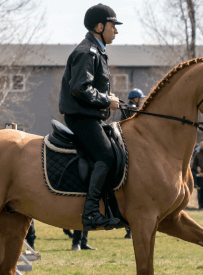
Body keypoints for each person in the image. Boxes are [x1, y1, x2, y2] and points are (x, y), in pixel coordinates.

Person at [59, 4, 122, 230]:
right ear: (99, 26)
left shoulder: (96, 50)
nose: (116, 31)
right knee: (106, 156)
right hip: (81, 118)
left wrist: (108, 97)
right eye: (113, 26)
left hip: (88, 117)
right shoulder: (87, 51)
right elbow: (80, 88)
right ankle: (91, 213)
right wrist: (106, 101)